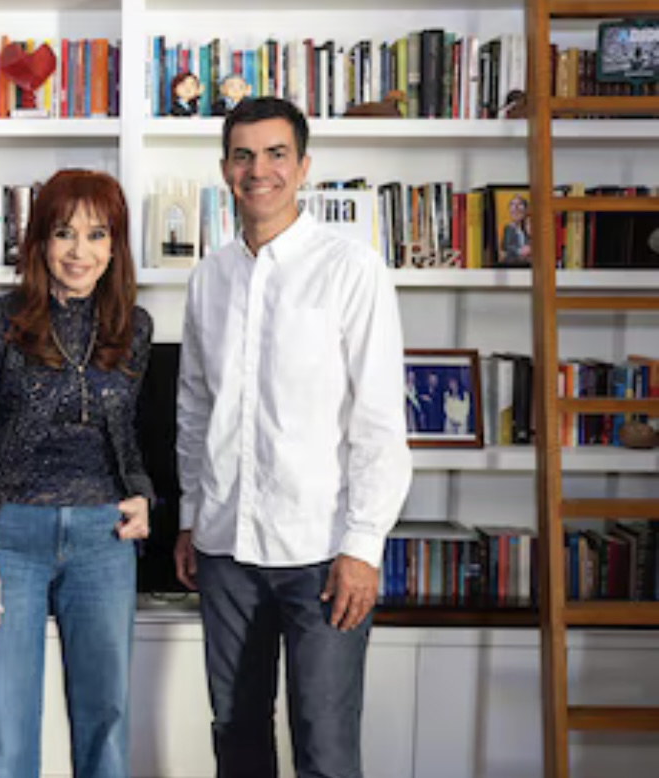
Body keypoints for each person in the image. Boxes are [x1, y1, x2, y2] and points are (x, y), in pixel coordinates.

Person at [174, 97, 411, 778]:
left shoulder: (352, 269)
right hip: (225, 548)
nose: (260, 171)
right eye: (244, 155)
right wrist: (190, 517)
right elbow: (195, 409)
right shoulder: (209, 278)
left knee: (325, 747)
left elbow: (379, 420)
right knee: (237, 737)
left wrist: (363, 547)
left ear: (303, 167)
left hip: (322, 554)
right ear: (225, 169)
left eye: (277, 154)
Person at [0, 169, 154, 778]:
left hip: (103, 540)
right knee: (3, 727)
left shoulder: (133, 327)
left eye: (96, 234)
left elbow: (126, 435)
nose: (79, 251)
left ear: (115, 246)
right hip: (10, 538)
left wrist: (143, 494)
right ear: (40, 241)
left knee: (106, 722)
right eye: (64, 233)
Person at [499, 194, 531, 264]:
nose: (516, 208)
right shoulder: (508, 229)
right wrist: (520, 251)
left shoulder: (529, 226)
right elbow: (506, 249)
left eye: (520, 204)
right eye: (512, 205)